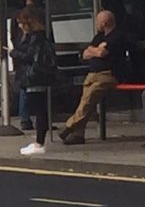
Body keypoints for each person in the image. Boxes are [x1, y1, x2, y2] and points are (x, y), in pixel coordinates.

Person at [58, 10, 128, 145]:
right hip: (93, 75)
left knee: (88, 100)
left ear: (105, 22)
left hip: (108, 75)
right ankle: (78, 134)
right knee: (84, 101)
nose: (96, 24)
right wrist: (95, 50)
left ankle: (69, 126)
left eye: (97, 21)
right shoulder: (99, 37)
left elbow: (102, 53)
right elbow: (85, 54)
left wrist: (94, 50)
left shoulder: (117, 36)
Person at [16, 8, 58, 156]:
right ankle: (39, 142)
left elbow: (28, 56)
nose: (20, 26)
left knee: (39, 110)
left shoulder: (34, 38)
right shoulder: (41, 36)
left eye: (21, 23)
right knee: (41, 110)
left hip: (34, 77)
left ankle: (39, 143)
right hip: (40, 77)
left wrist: (13, 53)